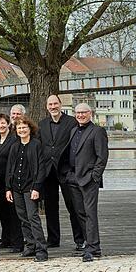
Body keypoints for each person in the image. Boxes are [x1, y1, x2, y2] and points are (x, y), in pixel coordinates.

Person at [39, 94, 83, 250]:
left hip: (66, 171)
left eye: (55, 104)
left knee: (73, 206)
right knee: (50, 207)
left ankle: (80, 240)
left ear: (60, 104)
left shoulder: (72, 122)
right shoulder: (42, 124)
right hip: (48, 171)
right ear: (47, 106)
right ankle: (53, 239)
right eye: (50, 104)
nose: (53, 107)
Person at [66, 103, 109, 262]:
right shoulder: (73, 130)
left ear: (90, 113)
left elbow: (102, 156)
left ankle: (93, 248)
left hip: (89, 179)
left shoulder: (97, 131)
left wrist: (94, 176)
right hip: (73, 178)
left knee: (90, 214)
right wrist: (68, 174)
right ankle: (90, 245)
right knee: (80, 213)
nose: (80, 115)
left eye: (83, 112)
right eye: (77, 113)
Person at [5, 116, 48, 262]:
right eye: (19, 128)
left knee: (33, 217)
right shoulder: (15, 146)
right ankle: (30, 246)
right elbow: (9, 168)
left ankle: (41, 249)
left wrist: (37, 187)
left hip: (30, 188)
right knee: (23, 218)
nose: (22, 130)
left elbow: (41, 168)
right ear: (16, 131)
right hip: (16, 187)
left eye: (24, 127)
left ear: (30, 129)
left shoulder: (36, 145)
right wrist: (8, 188)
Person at [0, 113, 23, 252]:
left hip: (11, 180)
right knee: (3, 211)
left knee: (13, 212)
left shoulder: (14, 140)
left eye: (3, 123)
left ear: (8, 124)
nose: (1, 125)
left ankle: (17, 242)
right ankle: (6, 239)